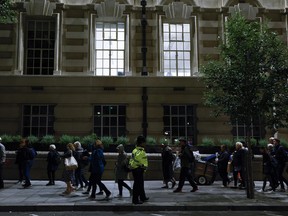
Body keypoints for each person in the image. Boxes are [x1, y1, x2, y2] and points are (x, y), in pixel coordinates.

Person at [129, 135, 149, 204]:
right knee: (137, 185)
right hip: (138, 169)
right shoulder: (139, 151)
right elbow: (138, 160)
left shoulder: (135, 150)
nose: (145, 144)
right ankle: (135, 200)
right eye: (144, 142)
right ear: (141, 143)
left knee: (140, 184)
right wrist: (143, 166)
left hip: (137, 169)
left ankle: (142, 197)